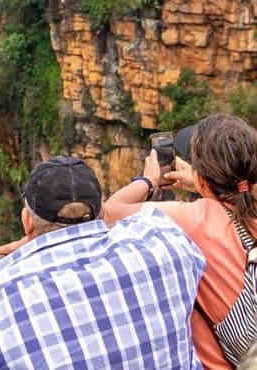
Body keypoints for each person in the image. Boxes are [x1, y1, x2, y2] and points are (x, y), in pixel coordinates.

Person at [0, 156, 205, 369]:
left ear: (28, 222)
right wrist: (147, 182)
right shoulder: (166, 246)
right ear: (100, 210)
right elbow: (123, 215)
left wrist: (34, 243)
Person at [106, 113, 257, 369]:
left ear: (200, 178)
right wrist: (203, 185)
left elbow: (110, 211)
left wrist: (149, 181)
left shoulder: (195, 218)